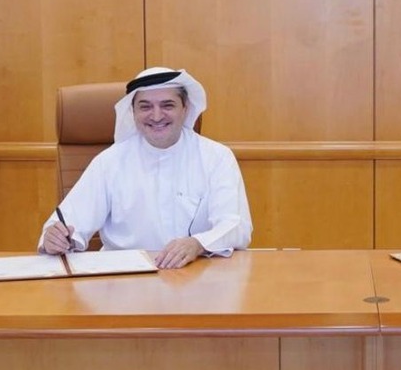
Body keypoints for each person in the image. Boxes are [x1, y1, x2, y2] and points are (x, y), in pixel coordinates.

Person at [39, 67, 252, 269]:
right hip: (123, 279)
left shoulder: (217, 157)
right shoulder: (110, 161)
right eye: (145, 106)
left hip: (195, 273)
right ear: (132, 111)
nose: (156, 116)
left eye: (167, 105)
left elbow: (236, 226)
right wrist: (55, 238)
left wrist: (197, 244)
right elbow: (68, 223)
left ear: (185, 109)